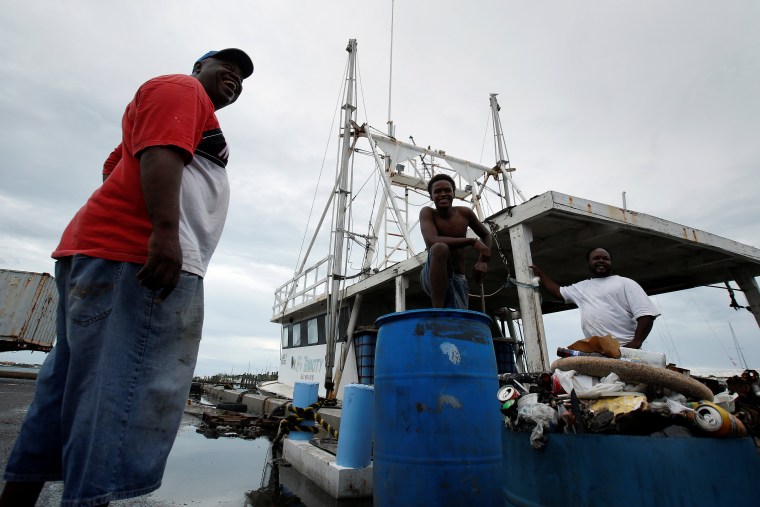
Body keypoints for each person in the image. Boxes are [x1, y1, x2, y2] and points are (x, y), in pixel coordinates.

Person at [0, 48, 254, 507]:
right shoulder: (182, 88)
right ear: (199, 68)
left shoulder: (178, 100)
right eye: (226, 68)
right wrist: (161, 232)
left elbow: (115, 166)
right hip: (136, 261)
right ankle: (86, 499)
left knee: (70, 391)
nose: (235, 77)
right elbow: (158, 151)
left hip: (108, 255)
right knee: (119, 397)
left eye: (242, 76)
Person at [530, 247, 660, 349]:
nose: (601, 260)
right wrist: (541, 275)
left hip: (625, 349)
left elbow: (646, 314)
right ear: (589, 263)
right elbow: (559, 292)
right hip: (597, 352)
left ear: (610, 262)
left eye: (605, 258)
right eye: (596, 258)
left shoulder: (626, 283)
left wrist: (635, 343)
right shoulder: (582, 287)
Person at [419, 174, 492, 309]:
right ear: (431, 196)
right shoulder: (427, 212)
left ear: (453, 193)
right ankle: (438, 312)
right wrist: (472, 241)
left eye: (447, 190)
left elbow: (487, 235)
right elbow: (432, 240)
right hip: (431, 276)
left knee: (457, 321)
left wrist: (483, 261)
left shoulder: (465, 213)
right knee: (439, 248)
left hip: (458, 278)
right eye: (437, 191)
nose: (443, 194)